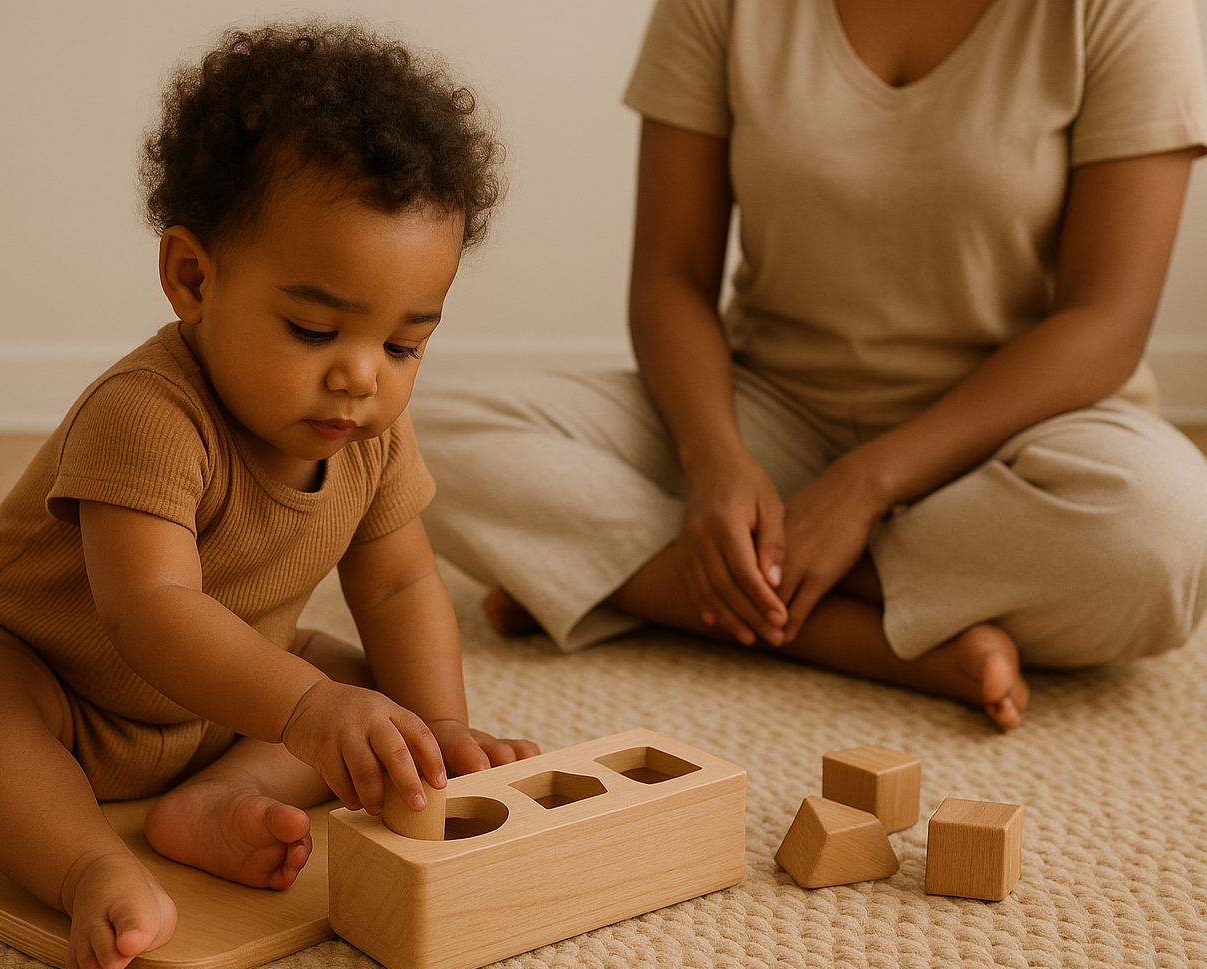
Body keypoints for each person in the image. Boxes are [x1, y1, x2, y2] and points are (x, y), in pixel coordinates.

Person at [0, 22, 537, 969]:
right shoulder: (147, 415)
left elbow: (400, 585)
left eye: (404, 345)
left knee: (375, 699)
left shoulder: (369, 435)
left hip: (223, 702)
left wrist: (439, 729)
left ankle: (217, 799)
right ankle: (88, 867)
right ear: (194, 279)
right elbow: (149, 611)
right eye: (314, 328)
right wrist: (307, 709)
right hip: (54, 684)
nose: (361, 375)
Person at [411, 0, 1207, 733]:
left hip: (1010, 438)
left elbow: (1106, 321)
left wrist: (869, 484)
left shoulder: (1124, 11)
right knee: (423, 444)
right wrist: (715, 460)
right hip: (771, 413)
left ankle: (647, 586)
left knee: (1165, 530)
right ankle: (874, 641)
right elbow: (672, 278)